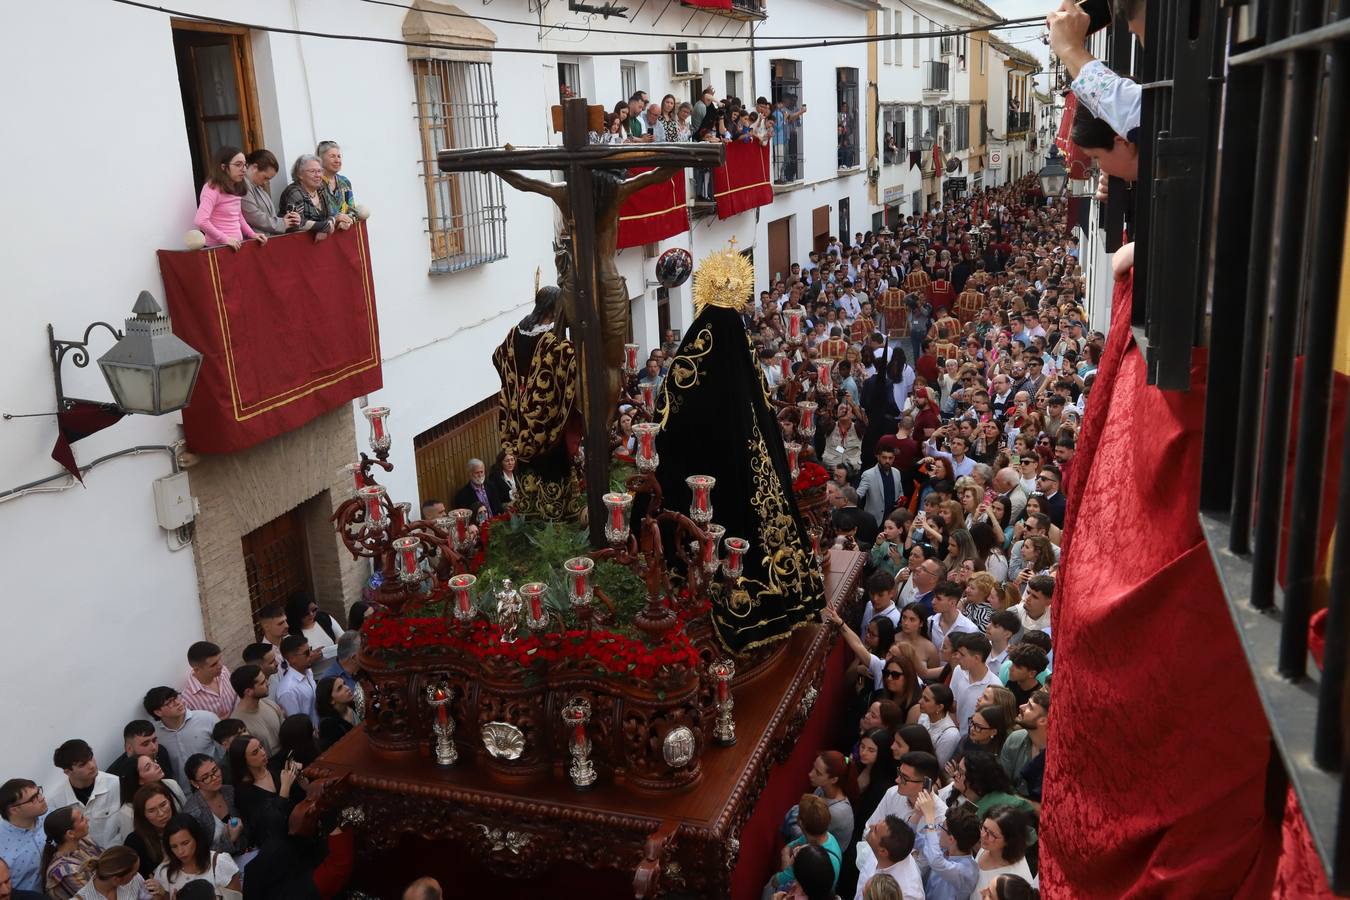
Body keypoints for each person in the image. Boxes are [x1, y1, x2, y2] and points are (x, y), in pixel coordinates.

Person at [227, 737, 301, 849]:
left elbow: (299, 798)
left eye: (261, 747)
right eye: (255, 752)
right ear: (243, 761)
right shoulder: (244, 793)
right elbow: (272, 824)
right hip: (280, 846)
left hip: (300, 828)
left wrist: (300, 778)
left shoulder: (274, 767)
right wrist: (285, 787)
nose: (263, 753)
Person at [48, 741, 123, 850]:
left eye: (91, 758)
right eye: (82, 765)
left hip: (118, 853)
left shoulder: (115, 783)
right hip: (84, 861)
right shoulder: (56, 801)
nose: (92, 766)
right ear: (67, 771)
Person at [766, 793, 842, 898]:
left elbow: (776, 881)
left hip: (811, 894)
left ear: (801, 823)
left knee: (769, 887)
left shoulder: (810, 859)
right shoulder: (825, 836)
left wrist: (788, 864)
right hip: (809, 887)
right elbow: (791, 846)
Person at [193, 146, 266, 250]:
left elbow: (238, 216)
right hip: (218, 249)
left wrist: (252, 234)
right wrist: (225, 239)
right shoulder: (212, 188)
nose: (244, 169)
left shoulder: (236, 186)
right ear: (223, 167)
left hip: (234, 247)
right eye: (238, 165)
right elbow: (200, 220)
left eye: (245, 164)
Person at [784, 753, 855, 855]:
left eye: (818, 773)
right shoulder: (821, 789)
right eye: (813, 768)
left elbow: (809, 835)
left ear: (834, 779)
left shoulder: (837, 813)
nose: (810, 774)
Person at [152, 815, 240, 896]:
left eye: (185, 843)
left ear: (197, 839)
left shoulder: (220, 864)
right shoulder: (164, 872)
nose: (180, 851)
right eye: (174, 846)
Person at [142, 688, 217, 783]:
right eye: (169, 702)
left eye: (176, 697)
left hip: (215, 782)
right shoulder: (154, 735)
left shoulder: (207, 719)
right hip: (184, 793)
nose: (177, 702)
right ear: (158, 712)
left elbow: (224, 752)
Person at [912, 795, 978, 900]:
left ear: (951, 839)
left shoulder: (967, 870)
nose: (937, 830)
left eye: (941, 827)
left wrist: (930, 818)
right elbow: (910, 838)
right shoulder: (944, 848)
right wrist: (918, 813)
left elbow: (935, 861)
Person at [180, 756, 244, 856]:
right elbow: (201, 854)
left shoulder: (230, 791)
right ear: (194, 783)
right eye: (205, 777)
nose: (214, 778)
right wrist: (231, 839)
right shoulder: (192, 813)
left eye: (215, 770)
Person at [854, 815, 922, 900]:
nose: (870, 826)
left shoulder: (908, 893)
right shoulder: (879, 848)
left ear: (883, 851)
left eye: (875, 830)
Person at [973, 806, 1034, 898]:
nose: (983, 836)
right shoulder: (988, 845)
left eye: (992, 835)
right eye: (984, 828)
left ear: (1009, 841)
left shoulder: (1015, 880)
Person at [41, 805, 100, 900]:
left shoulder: (84, 841)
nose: (87, 819)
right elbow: (96, 897)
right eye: (82, 819)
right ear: (70, 834)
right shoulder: (64, 870)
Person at [949, 634, 1003, 737]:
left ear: (977, 658)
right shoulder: (958, 671)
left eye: (962, 654)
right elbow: (953, 703)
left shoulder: (995, 686)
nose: (957, 657)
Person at [120, 784, 177, 881]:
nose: (161, 813)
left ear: (169, 801)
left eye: (163, 805)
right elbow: (138, 881)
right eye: (151, 810)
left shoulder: (186, 824)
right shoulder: (134, 842)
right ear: (143, 815)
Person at [999, 691, 1049, 802]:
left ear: (1043, 721)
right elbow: (1002, 784)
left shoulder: (1057, 756)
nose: (1021, 707)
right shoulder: (1014, 739)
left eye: (1030, 707)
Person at [0, 779, 48, 893]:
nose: (42, 798)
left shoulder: (50, 816)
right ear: (14, 810)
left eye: (39, 792)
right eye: (34, 798)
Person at [229, 664, 286, 757]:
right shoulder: (238, 725)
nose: (268, 683)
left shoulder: (269, 704)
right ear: (248, 691)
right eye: (262, 683)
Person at [240, 149, 299, 236]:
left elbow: (270, 215)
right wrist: (282, 223)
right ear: (254, 168)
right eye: (265, 178)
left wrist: (286, 220)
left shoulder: (257, 187)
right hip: (252, 242)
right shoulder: (242, 184)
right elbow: (253, 216)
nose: (265, 182)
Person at [279, 154, 336, 242]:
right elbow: (295, 223)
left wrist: (324, 227)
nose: (318, 175)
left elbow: (331, 215)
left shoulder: (321, 188)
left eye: (319, 171)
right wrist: (324, 226)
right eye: (312, 171)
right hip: (296, 244)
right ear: (300, 174)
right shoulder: (294, 192)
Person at [181, 641, 237, 721]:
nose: (220, 665)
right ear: (197, 669)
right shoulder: (188, 699)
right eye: (214, 665)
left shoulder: (224, 671)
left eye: (219, 659)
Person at [319, 631, 366, 726]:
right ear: (353, 657)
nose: (367, 652)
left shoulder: (364, 668)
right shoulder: (329, 680)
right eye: (363, 650)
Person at [71, 846, 150, 900]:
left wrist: (159, 894)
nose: (137, 875)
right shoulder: (83, 897)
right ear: (117, 880)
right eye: (133, 874)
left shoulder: (135, 880)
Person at [275, 635, 319, 728]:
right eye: (306, 653)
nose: (311, 654)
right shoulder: (287, 691)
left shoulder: (308, 671)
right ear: (292, 659)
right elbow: (297, 725)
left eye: (310, 649)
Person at [927, 581, 979, 658]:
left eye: (938, 599)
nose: (933, 602)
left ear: (952, 603)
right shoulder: (931, 621)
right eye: (934, 597)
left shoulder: (970, 629)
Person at [915, 685, 960, 768]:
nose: (920, 701)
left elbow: (937, 765)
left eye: (926, 700)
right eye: (922, 697)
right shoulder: (924, 717)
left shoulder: (950, 735)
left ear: (939, 707)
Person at [315, 140, 356, 229]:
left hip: (345, 231)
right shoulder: (315, 183)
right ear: (320, 159)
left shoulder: (344, 181)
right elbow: (314, 215)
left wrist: (348, 220)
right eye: (332, 157)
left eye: (339, 156)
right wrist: (335, 220)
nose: (337, 160)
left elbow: (352, 210)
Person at [316, 676, 357, 751]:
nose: (347, 688)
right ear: (331, 700)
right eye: (340, 688)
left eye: (344, 684)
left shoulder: (356, 705)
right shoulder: (328, 725)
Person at [1003, 644, 1050, 708]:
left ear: (1032, 674)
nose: (1011, 668)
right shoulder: (1011, 684)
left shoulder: (1037, 699)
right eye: (1012, 663)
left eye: (1018, 667)